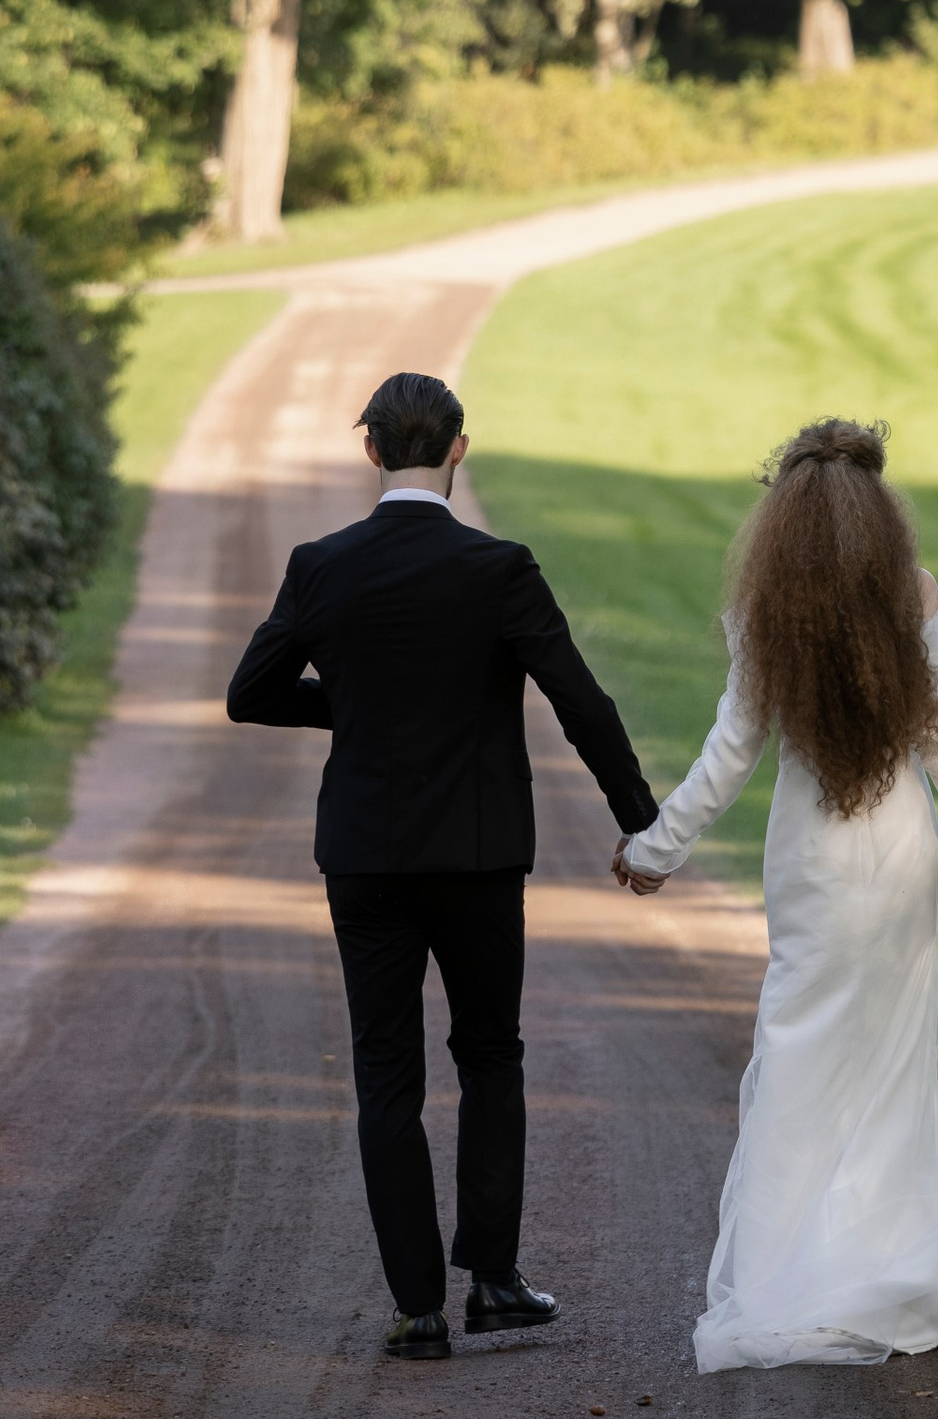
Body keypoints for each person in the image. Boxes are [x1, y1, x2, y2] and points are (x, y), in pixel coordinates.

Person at [226, 368, 657, 1361]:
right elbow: (579, 701)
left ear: (370, 450)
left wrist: (363, 705)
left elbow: (251, 692)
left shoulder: (320, 563)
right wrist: (641, 821)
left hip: (366, 856)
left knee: (386, 1073)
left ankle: (418, 1305)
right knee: (490, 1053)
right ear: (458, 447)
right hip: (476, 853)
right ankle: (495, 1281)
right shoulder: (498, 567)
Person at [613, 417, 938, 1372]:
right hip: (899, 857)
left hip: (810, 861)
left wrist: (657, 848)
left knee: (799, 1050)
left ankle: (785, 1274)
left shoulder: (769, 613)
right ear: (884, 515)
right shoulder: (921, 599)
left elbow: (731, 751)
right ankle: (889, 1265)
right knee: (892, 1061)